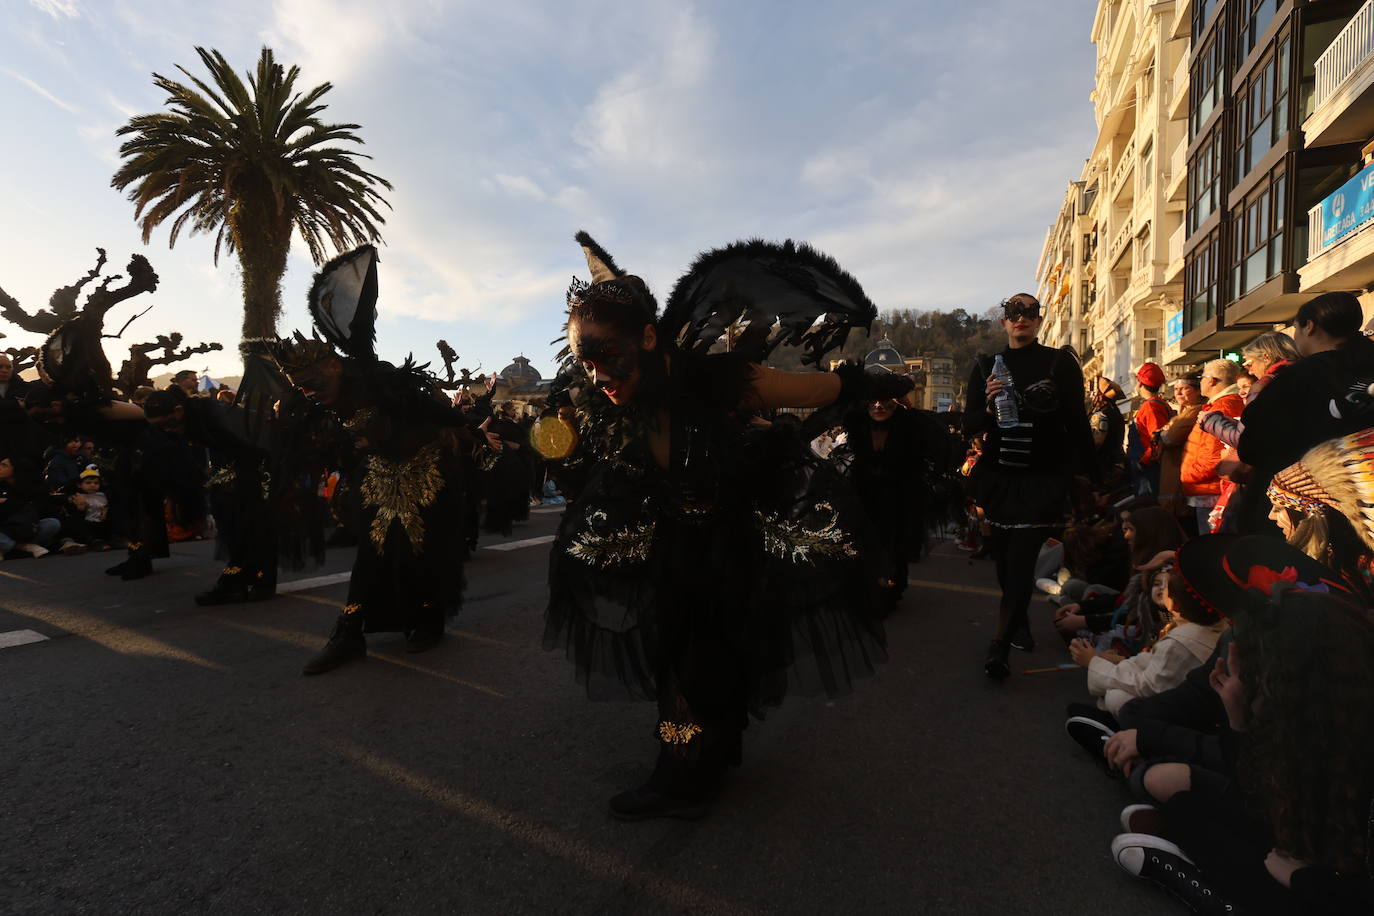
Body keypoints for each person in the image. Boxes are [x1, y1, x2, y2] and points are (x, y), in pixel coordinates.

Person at [543, 232, 905, 820]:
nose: (597, 373)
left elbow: (804, 387)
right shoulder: (614, 396)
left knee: (698, 659)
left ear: (649, 336)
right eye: (586, 361)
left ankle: (680, 775)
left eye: (607, 355)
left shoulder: (717, 380)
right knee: (678, 656)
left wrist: (864, 384)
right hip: (667, 545)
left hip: (726, 547)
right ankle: (700, 757)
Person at [265, 246, 476, 675]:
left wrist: (469, 430)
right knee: (372, 553)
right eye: (299, 387)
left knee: (422, 550)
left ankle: (426, 619)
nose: (308, 391)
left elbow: (435, 412)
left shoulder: (377, 378)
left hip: (424, 472)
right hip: (379, 477)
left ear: (333, 366)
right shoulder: (318, 403)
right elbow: (312, 443)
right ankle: (350, 632)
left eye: (310, 382)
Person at [1112, 582, 1374, 914]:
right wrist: (1238, 722)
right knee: (1184, 806)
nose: (1243, 678)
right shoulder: (1323, 727)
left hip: (1340, 886)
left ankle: (1205, 891)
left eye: (1255, 675)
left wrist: (1303, 879)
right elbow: (1259, 799)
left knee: (1266, 882)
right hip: (1319, 852)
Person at [963, 293, 1096, 677]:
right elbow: (969, 424)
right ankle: (1017, 622)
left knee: (1021, 562)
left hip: (1042, 478)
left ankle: (998, 645)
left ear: (1039, 320)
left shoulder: (1060, 362)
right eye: (1012, 313)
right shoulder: (986, 365)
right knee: (1005, 563)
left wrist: (1091, 475)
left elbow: (1077, 422)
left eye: (1029, 313)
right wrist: (988, 408)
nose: (1020, 319)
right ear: (1003, 322)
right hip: (999, 479)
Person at [1238, 291, 1374, 536]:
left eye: (1295, 328)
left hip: (1308, 514)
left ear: (1309, 326)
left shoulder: (1299, 377)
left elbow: (1255, 447)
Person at [1265, 427, 1374, 601]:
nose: (1270, 516)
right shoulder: (1344, 554)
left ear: (1311, 514)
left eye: (1279, 508)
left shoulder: (1364, 563)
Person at [1179, 359, 1245, 534]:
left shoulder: (1223, 406)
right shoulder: (1223, 404)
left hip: (1211, 492)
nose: (1200, 382)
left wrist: (1189, 477)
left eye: (1202, 377)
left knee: (1212, 544)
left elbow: (1214, 456)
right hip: (1210, 489)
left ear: (1212, 380)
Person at [1155, 375, 1203, 525]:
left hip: (1180, 477)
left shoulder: (1196, 411)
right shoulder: (1183, 412)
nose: (1178, 393)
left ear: (1198, 391)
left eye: (1184, 389)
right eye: (1176, 389)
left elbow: (1171, 438)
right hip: (1172, 475)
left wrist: (1163, 433)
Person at [1128, 362, 1173, 498]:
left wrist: (1144, 462)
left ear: (1140, 383)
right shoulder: (1158, 404)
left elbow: (1157, 437)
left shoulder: (1151, 407)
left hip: (1149, 470)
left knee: (1146, 505)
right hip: (1149, 466)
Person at [1088, 376, 1127, 490]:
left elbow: (1096, 443)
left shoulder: (1101, 415)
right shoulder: (1116, 412)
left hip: (1105, 468)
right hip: (1118, 464)